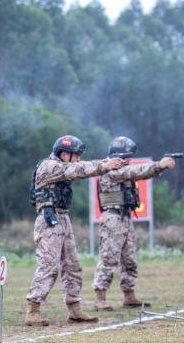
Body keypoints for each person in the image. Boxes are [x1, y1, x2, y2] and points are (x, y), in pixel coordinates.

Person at [25, 135, 126, 326]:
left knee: (72, 266)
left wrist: (105, 164)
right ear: (64, 154)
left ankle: (74, 309)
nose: (78, 159)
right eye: (75, 155)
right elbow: (76, 170)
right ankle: (33, 309)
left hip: (62, 217)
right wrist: (104, 165)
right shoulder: (49, 166)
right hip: (49, 219)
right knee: (49, 265)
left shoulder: (63, 165)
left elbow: (76, 168)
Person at [91, 136, 176, 311]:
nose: (130, 160)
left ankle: (129, 295)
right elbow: (135, 172)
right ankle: (100, 297)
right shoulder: (111, 171)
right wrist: (159, 165)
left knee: (129, 259)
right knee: (108, 259)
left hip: (124, 218)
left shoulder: (122, 169)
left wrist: (158, 167)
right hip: (112, 219)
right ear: (118, 155)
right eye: (127, 156)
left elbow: (134, 172)